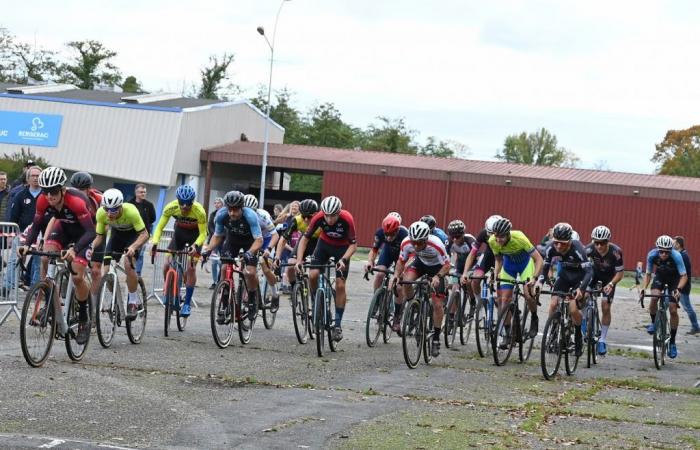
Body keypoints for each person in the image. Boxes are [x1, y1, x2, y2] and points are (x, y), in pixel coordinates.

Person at [19, 167, 95, 344]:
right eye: (46, 191)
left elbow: (91, 232)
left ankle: (84, 318)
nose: (49, 196)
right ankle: (50, 298)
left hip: (84, 233)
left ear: (62, 189)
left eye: (53, 192)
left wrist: (74, 250)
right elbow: (37, 226)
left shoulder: (75, 201)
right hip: (64, 228)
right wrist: (26, 245)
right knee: (46, 256)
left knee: (77, 275)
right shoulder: (43, 200)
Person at [295, 195, 357, 342]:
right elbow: (305, 239)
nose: (329, 220)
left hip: (342, 249)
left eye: (333, 216)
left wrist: (344, 259)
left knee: (340, 284)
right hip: (324, 246)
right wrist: (299, 260)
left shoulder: (347, 219)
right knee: (313, 275)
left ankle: (337, 324)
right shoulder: (318, 217)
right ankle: (316, 301)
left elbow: (353, 245)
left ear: (339, 212)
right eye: (327, 216)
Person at [391, 221, 451, 357]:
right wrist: (395, 276)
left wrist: (438, 276)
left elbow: (447, 265)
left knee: (437, 304)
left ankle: (436, 338)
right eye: (414, 243)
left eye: (420, 243)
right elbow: (401, 261)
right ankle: (414, 305)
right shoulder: (406, 242)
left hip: (437, 268)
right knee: (406, 281)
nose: (416, 246)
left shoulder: (436, 244)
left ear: (426, 239)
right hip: (420, 263)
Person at [202, 191, 262, 322]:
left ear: (241, 208)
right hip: (232, 241)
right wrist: (208, 250)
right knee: (224, 268)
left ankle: (252, 297)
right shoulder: (221, 215)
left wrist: (249, 253)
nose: (232, 213)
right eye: (230, 210)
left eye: (235, 210)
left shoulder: (250, 216)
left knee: (250, 273)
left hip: (250, 242)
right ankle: (224, 303)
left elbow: (259, 240)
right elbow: (217, 236)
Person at [535, 223, 593, 357]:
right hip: (565, 277)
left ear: (570, 241)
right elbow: (545, 268)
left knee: (573, 309)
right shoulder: (551, 247)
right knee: (553, 303)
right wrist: (540, 282)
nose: (559, 246)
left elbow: (589, 272)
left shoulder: (578, 248)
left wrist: (581, 289)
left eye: (563, 243)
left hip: (579, 277)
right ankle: (554, 332)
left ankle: (578, 334)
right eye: (556, 243)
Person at [150, 185, 207, 318]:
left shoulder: (199, 211)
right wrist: (155, 242)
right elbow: (159, 227)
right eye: (182, 203)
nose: (184, 207)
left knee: (190, 268)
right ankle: (169, 292)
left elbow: (204, 233)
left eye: (188, 204)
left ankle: (187, 303)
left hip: (196, 236)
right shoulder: (171, 207)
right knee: (166, 264)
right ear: (178, 201)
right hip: (179, 235)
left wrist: (196, 245)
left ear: (193, 202)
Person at [92, 189, 149, 318]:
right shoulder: (101, 213)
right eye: (107, 209)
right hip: (116, 237)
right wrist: (90, 247)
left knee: (128, 264)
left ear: (120, 206)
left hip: (133, 236)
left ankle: (133, 302)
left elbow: (145, 234)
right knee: (104, 272)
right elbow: (99, 237)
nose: (110, 213)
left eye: (114, 210)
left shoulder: (131, 211)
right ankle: (116, 301)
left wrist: (134, 247)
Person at [489, 217, 543, 340]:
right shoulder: (493, 240)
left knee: (528, 294)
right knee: (503, 299)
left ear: (508, 234)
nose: (498, 240)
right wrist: (496, 273)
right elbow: (498, 259)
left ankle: (534, 317)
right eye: (496, 236)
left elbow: (539, 259)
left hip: (525, 265)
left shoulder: (520, 238)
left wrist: (534, 278)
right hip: (509, 267)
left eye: (501, 237)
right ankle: (507, 333)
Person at [640, 235, 687, 359]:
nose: (664, 254)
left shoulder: (677, 256)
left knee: (672, 309)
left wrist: (679, 289)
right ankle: (653, 322)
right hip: (660, 276)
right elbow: (648, 274)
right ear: (657, 249)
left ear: (671, 250)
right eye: (661, 251)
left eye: (667, 252)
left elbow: (684, 276)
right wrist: (644, 288)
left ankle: (672, 342)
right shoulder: (652, 255)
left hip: (674, 279)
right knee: (654, 297)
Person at [364, 213, 409, 332]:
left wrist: (400, 273)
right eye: (386, 234)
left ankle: (397, 317)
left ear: (397, 230)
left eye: (392, 234)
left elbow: (408, 257)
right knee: (380, 274)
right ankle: (377, 302)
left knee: (399, 287)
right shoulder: (380, 233)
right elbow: (374, 250)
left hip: (402, 257)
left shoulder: (405, 234)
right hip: (388, 253)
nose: (388, 238)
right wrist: (370, 262)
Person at [585, 225, 625, 355]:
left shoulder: (616, 252)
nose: (599, 246)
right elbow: (582, 269)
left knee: (605, 306)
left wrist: (612, 284)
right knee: (583, 296)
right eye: (596, 242)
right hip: (594, 275)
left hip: (609, 278)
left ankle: (602, 340)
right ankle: (584, 323)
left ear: (608, 241)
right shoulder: (588, 250)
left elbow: (620, 273)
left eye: (602, 243)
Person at [69, 171, 104, 317]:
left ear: (89, 189)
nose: (78, 193)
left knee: (95, 270)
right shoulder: (69, 198)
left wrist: (94, 243)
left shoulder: (99, 200)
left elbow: (104, 225)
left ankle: (92, 307)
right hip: (79, 232)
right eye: (76, 189)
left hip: (97, 231)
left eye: (81, 190)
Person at [274, 199, 320, 296]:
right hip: (304, 242)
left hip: (319, 243)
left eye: (309, 217)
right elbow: (283, 239)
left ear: (315, 214)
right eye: (304, 216)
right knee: (290, 265)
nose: (306, 220)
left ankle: (317, 291)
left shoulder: (321, 220)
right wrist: (277, 257)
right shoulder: (297, 220)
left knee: (315, 271)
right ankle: (295, 287)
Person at [244, 194, 281, 309]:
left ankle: (275, 294)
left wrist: (269, 249)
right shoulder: (242, 215)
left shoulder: (263, 215)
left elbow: (275, 235)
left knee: (265, 267)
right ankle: (249, 294)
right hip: (254, 240)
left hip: (267, 240)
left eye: (252, 211)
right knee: (246, 269)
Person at [128, 184, 156, 276]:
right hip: (131, 233)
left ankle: (137, 273)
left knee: (140, 253)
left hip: (144, 234)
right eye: (141, 192)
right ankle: (131, 271)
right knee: (132, 252)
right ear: (136, 192)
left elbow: (153, 219)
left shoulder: (149, 205)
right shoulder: (129, 204)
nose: (143, 194)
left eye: (144, 192)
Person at [673, 236, 699, 335]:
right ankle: (656, 321)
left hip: (683, 286)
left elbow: (683, 274)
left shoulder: (683, 256)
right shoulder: (680, 254)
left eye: (673, 243)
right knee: (667, 303)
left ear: (678, 244)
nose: (672, 244)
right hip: (678, 285)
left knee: (687, 307)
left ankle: (696, 326)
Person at [206, 197, 224, 289]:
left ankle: (220, 281)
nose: (216, 204)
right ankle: (214, 281)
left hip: (223, 241)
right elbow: (210, 226)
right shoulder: (212, 214)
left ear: (222, 204)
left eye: (218, 203)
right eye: (215, 203)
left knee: (222, 262)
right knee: (214, 262)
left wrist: (220, 235)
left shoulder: (225, 213)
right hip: (214, 240)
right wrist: (215, 235)